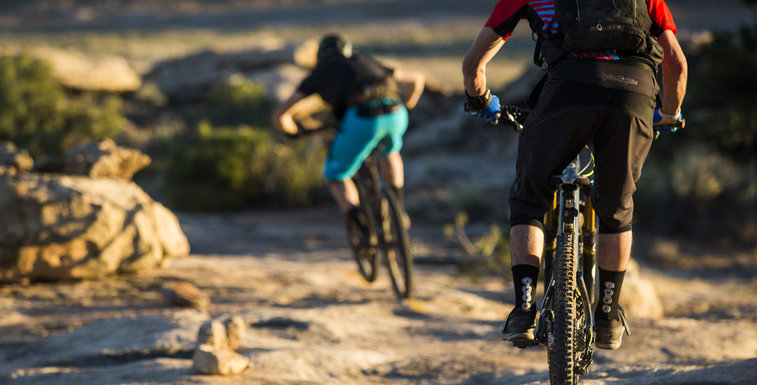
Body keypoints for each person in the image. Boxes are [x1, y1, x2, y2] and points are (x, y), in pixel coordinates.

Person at [462, 0, 687, 350]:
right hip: (634, 91)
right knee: (617, 207)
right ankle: (608, 316)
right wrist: (669, 113)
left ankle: (523, 310)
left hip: (570, 89)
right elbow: (676, 63)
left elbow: (473, 64)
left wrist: (481, 99)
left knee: (529, 198)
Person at [272, 33, 426, 234]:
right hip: (395, 112)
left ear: (320, 57)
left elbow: (281, 115)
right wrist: (408, 105)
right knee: (389, 151)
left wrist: (293, 132)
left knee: (336, 174)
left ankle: (362, 227)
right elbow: (416, 78)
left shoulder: (319, 73)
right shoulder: (366, 60)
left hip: (361, 119)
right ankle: (397, 208)